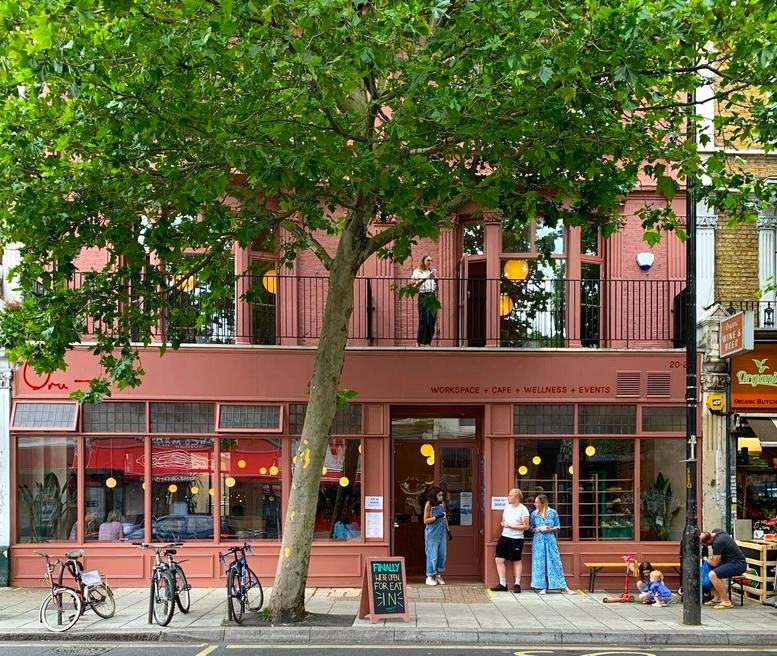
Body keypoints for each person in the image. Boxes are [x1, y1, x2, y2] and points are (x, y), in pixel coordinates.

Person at [530, 494, 574, 595]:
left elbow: (558, 527)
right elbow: (530, 528)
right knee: (539, 563)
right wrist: (536, 529)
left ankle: (563, 586)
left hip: (550, 539)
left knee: (555, 562)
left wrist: (549, 529)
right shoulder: (534, 514)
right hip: (538, 540)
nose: (535, 504)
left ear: (542, 503)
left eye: (536, 502)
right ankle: (542, 587)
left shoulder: (553, 513)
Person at [491, 488, 530, 593]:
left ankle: (517, 584)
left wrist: (513, 527)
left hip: (516, 538)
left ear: (516, 497)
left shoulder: (523, 509)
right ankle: (502, 584)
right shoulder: (507, 507)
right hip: (505, 536)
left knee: (516, 560)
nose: (508, 497)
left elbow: (526, 526)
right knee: (499, 559)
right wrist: (503, 524)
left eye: (510, 495)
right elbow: (503, 520)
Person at [700, 528, 747, 609]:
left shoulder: (718, 542)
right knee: (709, 567)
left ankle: (726, 601)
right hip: (729, 562)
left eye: (706, 545)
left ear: (708, 541)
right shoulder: (717, 531)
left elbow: (715, 562)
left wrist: (706, 559)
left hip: (738, 564)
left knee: (712, 574)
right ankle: (717, 598)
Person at [423, 486, 449, 586]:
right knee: (432, 555)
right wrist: (436, 517)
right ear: (434, 495)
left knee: (442, 555)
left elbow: (444, 517)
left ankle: (438, 576)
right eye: (439, 495)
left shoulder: (442, 504)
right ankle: (429, 576)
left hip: (441, 532)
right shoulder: (428, 504)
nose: (441, 497)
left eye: (442, 495)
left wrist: (448, 530)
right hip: (432, 533)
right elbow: (425, 520)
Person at [411, 255, 437, 346]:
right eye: (428, 260)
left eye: (431, 260)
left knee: (432, 320)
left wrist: (435, 280)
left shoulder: (430, 271)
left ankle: (428, 342)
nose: (430, 262)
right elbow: (414, 285)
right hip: (423, 295)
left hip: (432, 296)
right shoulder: (417, 271)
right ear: (423, 261)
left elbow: (435, 286)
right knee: (424, 319)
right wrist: (426, 277)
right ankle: (419, 342)